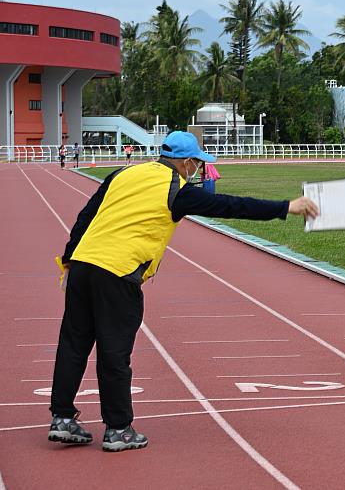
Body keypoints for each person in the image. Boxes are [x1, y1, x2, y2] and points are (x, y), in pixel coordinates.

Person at [48, 131, 318, 452]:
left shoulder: (122, 173)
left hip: (81, 265)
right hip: (118, 274)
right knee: (114, 352)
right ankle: (118, 428)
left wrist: (68, 259)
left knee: (73, 344)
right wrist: (286, 206)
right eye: (196, 164)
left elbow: (86, 216)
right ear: (187, 162)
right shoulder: (177, 189)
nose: (197, 170)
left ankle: (62, 418)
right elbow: (229, 205)